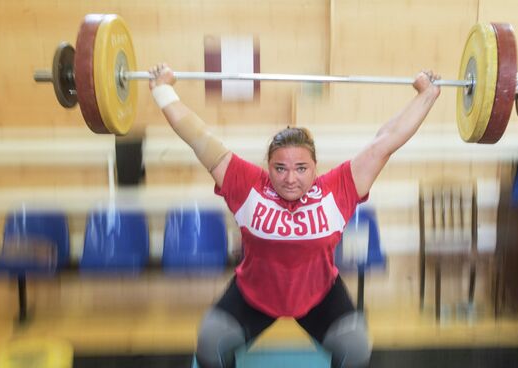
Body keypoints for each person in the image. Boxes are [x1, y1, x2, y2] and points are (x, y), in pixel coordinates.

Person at [148, 63, 440, 368]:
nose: (290, 179)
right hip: (254, 294)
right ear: (268, 167)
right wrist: (163, 89)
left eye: (301, 168)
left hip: (320, 295)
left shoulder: (337, 188)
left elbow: (386, 141)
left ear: (315, 167)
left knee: (355, 347)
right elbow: (198, 136)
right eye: (280, 168)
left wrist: (426, 95)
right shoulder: (246, 185)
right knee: (210, 342)